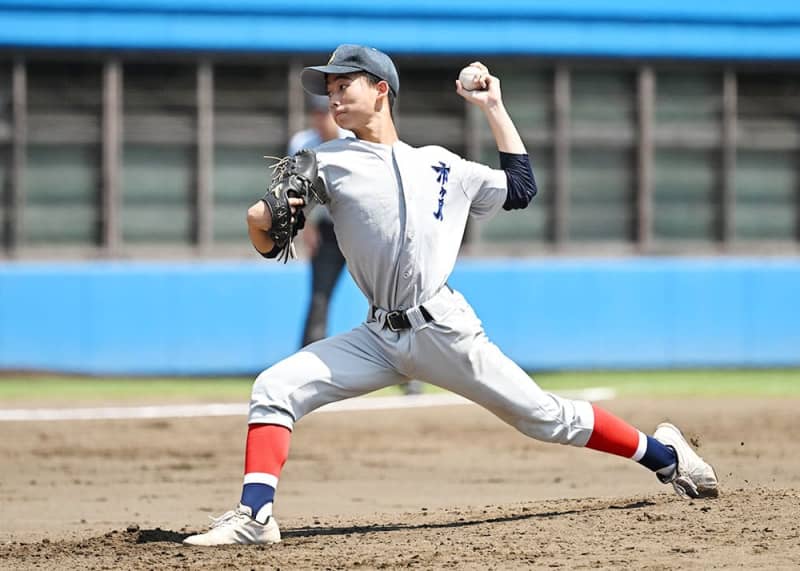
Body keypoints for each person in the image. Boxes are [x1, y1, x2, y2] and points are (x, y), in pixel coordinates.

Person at [184, 45, 718, 546]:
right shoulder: (325, 161)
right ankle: (255, 516)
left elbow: (522, 188)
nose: (334, 96)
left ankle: (666, 456)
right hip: (377, 336)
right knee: (275, 387)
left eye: (346, 83)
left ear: (381, 90)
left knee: (546, 417)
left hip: (445, 329)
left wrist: (494, 107)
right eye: (329, 87)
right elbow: (268, 229)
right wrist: (260, 221)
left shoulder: (443, 165)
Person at [289, 94, 350, 348]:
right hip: (327, 229)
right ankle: (305, 367)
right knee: (319, 298)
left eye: (324, 113)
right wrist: (307, 226)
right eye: (315, 113)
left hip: (358, 226)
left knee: (383, 298)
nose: (319, 119)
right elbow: (296, 189)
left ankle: (408, 372)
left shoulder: (353, 140)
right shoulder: (303, 143)